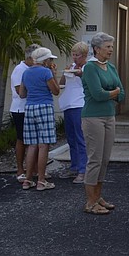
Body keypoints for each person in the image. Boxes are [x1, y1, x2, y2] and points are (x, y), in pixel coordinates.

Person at [81, 32, 125, 215]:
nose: (111, 50)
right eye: (108, 47)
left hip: (109, 116)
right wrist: (113, 92)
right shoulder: (90, 68)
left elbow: (122, 93)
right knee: (95, 159)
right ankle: (90, 202)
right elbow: (97, 95)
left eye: (111, 47)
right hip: (93, 117)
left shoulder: (111, 67)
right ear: (97, 49)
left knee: (104, 160)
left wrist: (111, 92)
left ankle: (98, 196)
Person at [18, 47, 60, 191]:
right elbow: (56, 91)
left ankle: (28, 179)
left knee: (32, 145)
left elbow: (22, 94)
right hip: (44, 107)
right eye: (50, 59)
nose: (52, 62)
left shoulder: (26, 72)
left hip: (30, 107)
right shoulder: (46, 72)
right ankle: (41, 180)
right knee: (43, 145)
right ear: (45, 60)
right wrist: (54, 75)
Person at [57, 41, 88, 184]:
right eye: (73, 55)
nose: (75, 58)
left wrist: (80, 74)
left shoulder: (88, 68)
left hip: (79, 104)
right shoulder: (72, 67)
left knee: (80, 137)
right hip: (68, 104)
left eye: (78, 55)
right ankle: (74, 166)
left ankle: (83, 169)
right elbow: (61, 84)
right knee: (71, 138)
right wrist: (66, 72)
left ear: (84, 56)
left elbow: (87, 81)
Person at [10, 43, 39, 182]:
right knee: (22, 139)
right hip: (20, 109)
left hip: (32, 107)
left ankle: (33, 168)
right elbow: (18, 90)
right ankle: (20, 169)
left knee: (34, 140)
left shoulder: (34, 69)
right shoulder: (20, 69)